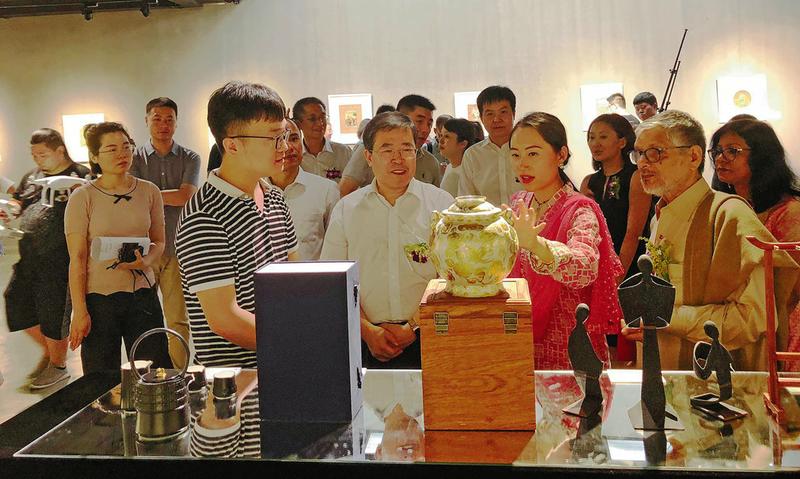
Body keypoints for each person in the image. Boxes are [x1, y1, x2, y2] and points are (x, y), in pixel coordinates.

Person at [622, 110, 798, 370]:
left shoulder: (729, 215)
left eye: (655, 153)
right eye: (638, 154)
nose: (642, 164)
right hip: (666, 374)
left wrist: (669, 318)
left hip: (718, 382)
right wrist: (647, 324)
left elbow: (754, 318)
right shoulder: (660, 215)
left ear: (693, 156)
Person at [176, 81, 298, 371]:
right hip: (233, 378)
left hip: (281, 363)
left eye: (285, 136)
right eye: (274, 138)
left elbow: (294, 277)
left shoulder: (275, 197)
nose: (285, 147)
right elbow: (225, 319)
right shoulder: (204, 216)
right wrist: (298, 341)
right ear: (232, 144)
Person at [321, 111, 454, 368]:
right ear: (369, 157)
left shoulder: (441, 205)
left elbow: (452, 277)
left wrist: (413, 325)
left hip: (429, 333)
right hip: (363, 338)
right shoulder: (347, 209)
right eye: (387, 150)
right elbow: (333, 280)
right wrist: (367, 330)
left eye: (406, 149)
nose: (398, 159)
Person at [504, 112, 624, 370]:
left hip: (569, 340)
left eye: (533, 154)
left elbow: (585, 266)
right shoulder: (519, 203)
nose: (522, 164)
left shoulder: (580, 209)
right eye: (515, 155)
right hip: (522, 336)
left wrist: (537, 246)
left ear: (561, 155)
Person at [65, 122, 171, 375]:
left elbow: (159, 242)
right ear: (94, 156)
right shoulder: (82, 197)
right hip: (99, 299)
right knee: (100, 375)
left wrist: (147, 261)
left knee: (155, 371)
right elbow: (77, 258)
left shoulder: (149, 191)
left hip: (142, 293)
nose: (122, 154)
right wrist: (79, 311)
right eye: (111, 149)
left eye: (126, 147)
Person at [709, 118, 800, 371]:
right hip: (736, 321)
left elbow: (790, 289)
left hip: (780, 322)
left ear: (762, 156)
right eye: (717, 151)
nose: (721, 158)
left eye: (733, 151)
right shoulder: (725, 208)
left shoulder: (789, 212)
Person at [4, 128, 89, 389]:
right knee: (15, 302)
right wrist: (10, 210)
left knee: (53, 312)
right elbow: (20, 201)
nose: (38, 160)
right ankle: (51, 353)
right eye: (34, 155)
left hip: (59, 258)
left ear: (59, 150)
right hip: (29, 255)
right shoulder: (32, 176)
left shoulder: (80, 176)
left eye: (43, 154)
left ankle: (58, 365)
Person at [130, 97, 200, 368]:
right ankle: (150, 374)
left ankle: (178, 374)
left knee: (178, 319)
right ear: (146, 120)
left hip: (177, 248)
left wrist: (147, 195)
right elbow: (133, 197)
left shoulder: (190, 157)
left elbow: (186, 196)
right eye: (157, 119)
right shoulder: (134, 158)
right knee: (143, 318)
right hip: (143, 250)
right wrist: (160, 196)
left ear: (176, 123)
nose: (163, 125)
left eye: (169, 119)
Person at [580, 114, 652, 279]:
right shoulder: (588, 182)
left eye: (603, 137)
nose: (595, 143)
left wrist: (617, 277)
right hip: (597, 264)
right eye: (591, 137)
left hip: (630, 266)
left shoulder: (636, 177)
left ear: (622, 142)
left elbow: (633, 234)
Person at [339, 95, 442, 197]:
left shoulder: (431, 162)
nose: (425, 130)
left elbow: (435, 200)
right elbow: (345, 189)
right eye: (419, 121)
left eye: (429, 124)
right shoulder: (372, 149)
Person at [266, 118, 339, 260]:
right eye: (280, 140)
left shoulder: (326, 190)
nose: (288, 147)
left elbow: (335, 249)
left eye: (294, 139)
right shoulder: (254, 191)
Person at [458, 85, 524, 207]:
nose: (496, 119)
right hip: (486, 220)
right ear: (481, 118)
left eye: (503, 112)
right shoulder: (472, 155)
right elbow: (467, 200)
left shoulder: (529, 150)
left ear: (513, 114)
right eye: (489, 114)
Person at [293, 97, 352, 183]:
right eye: (312, 119)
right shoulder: (294, 155)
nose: (320, 123)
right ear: (298, 124)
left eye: (323, 117)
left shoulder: (343, 152)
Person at [439, 118, 477, 198]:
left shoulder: (467, 172)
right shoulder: (449, 167)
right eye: (441, 135)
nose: (441, 140)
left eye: (447, 136)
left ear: (463, 144)